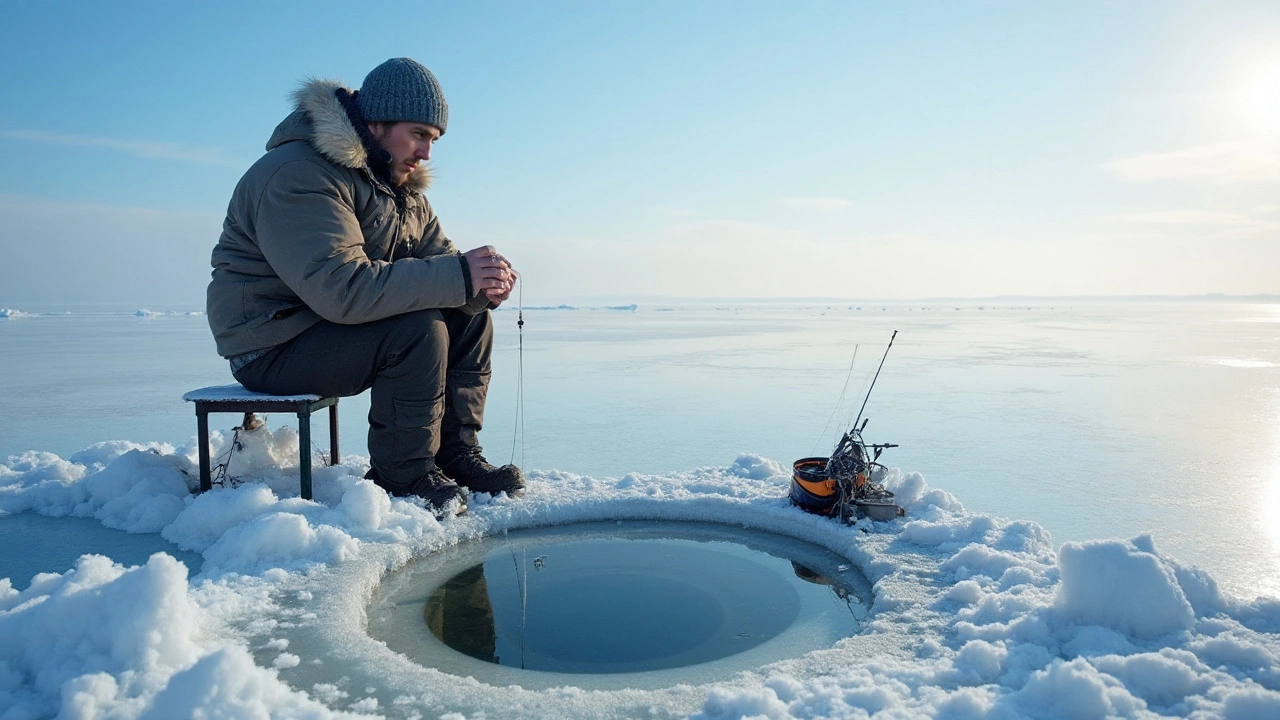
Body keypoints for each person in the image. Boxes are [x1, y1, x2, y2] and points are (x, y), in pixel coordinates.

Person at [205, 57, 523, 516]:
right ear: (376, 124)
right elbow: (342, 288)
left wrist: (482, 284)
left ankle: (453, 455)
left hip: (327, 329)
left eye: (433, 140)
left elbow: (442, 263)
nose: (427, 153)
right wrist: (459, 275)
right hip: (270, 342)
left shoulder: (401, 189)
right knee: (417, 329)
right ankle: (401, 474)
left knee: (467, 316)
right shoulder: (298, 174)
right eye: (418, 135)